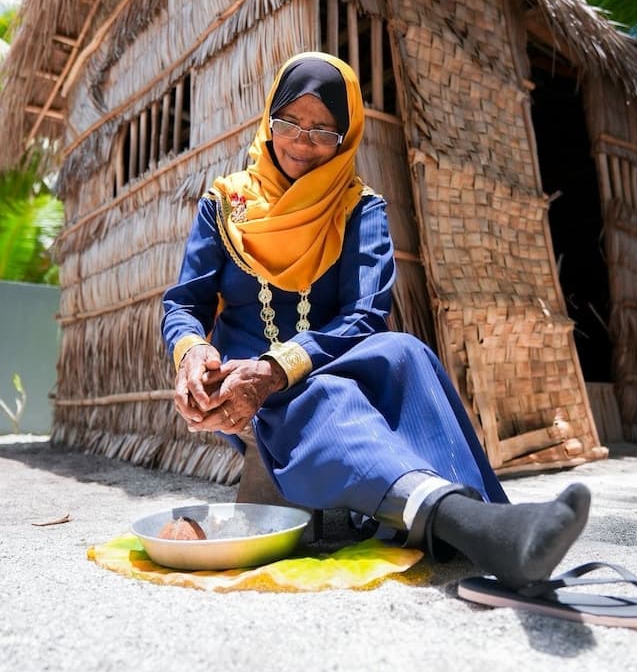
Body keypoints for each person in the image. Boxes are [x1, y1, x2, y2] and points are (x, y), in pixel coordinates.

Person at [162, 52, 590, 589]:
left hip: (335, 361)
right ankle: (483, 529)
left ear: (346, 137)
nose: (302, 142)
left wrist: (280, 366)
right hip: (250, 386)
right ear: (269, 120)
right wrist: (191, 353)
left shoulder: (360, 208)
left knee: (405, 350)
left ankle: (469, 519)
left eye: (323, 131)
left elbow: (366, 315)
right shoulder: (225, 203)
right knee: (318, 397)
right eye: (289, 122)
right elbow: (186, 304)